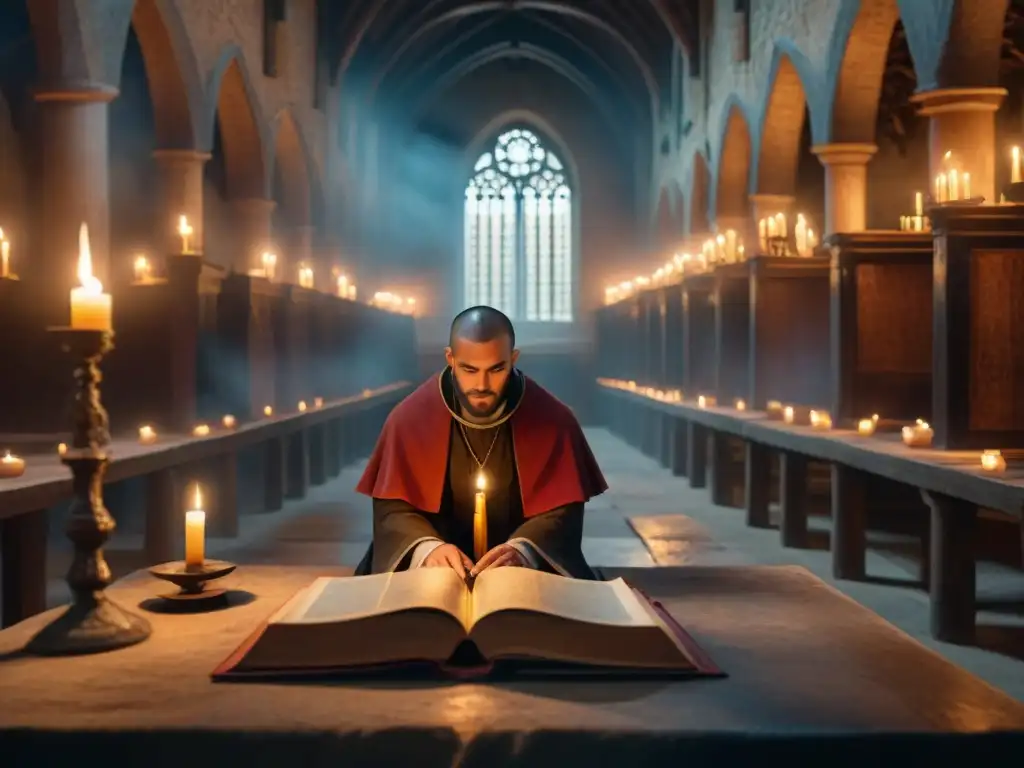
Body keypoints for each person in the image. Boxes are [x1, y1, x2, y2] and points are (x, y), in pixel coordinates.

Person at [354, 306, 607, 580]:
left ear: (513, 358)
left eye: (497, 369)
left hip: (521, 577)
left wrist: (524, 550)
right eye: (469, 369)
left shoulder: (553, 419)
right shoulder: (410, 418)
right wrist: (427, 549)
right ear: (450, 358)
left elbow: (563, 511)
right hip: (432, 576)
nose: (482, 384)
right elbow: (392, 509)